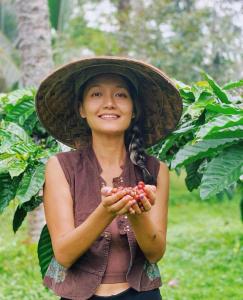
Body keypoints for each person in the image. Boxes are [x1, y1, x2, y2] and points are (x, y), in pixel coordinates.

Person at [35, 56, 182, 300]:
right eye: (96, 94)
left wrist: (137, 214)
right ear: (81, 108)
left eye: (121, 95)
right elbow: (63, 253)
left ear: (134, 109)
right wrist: (106, 212)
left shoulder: (155, 171)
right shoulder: (60, 167)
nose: (109, 103)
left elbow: (155, 253)